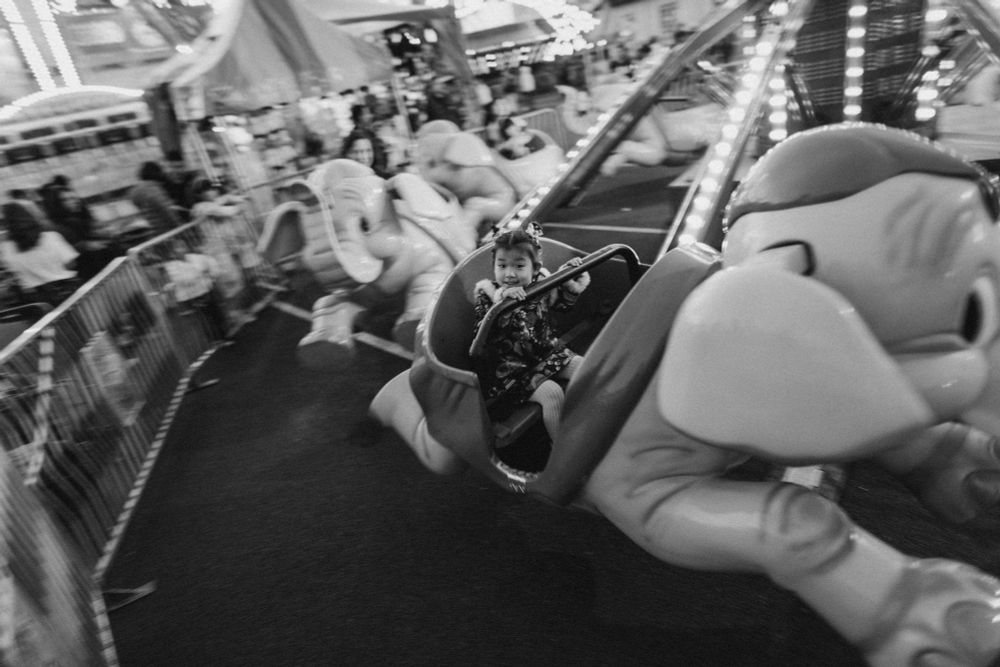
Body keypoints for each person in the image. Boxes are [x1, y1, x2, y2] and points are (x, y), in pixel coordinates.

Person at [472, 224, 590, 440]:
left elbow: (562, 306)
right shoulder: (488, 294)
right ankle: (561, 449)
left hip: (547, 353)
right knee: (552, 394)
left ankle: (588, 426)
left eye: (519, 266)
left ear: (535, 268)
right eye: (502, 265)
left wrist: (569, 280)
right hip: (513, 370)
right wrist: (503, 302)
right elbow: (482, 338)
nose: (509, 274)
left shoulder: (542, 282)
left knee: (587, 369)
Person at [39, 181, 123, 282]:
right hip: (91, 276)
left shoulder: (80, 219)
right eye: (66, 199)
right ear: (56, 204)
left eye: (74, 198)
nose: (74, 201)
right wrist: (84, 246)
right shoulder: (56, 227)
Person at [0, 200, 79, 306]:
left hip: (39, 303)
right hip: (70, 292)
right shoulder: (51, 237)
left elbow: (15, 275)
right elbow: (71, 264)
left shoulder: (6, 248)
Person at [129, 161, 185, 235]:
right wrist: (180, 226)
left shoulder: (135, 192)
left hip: (157, 231)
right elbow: (167, 210)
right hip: (169, 230)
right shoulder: (153, 189)